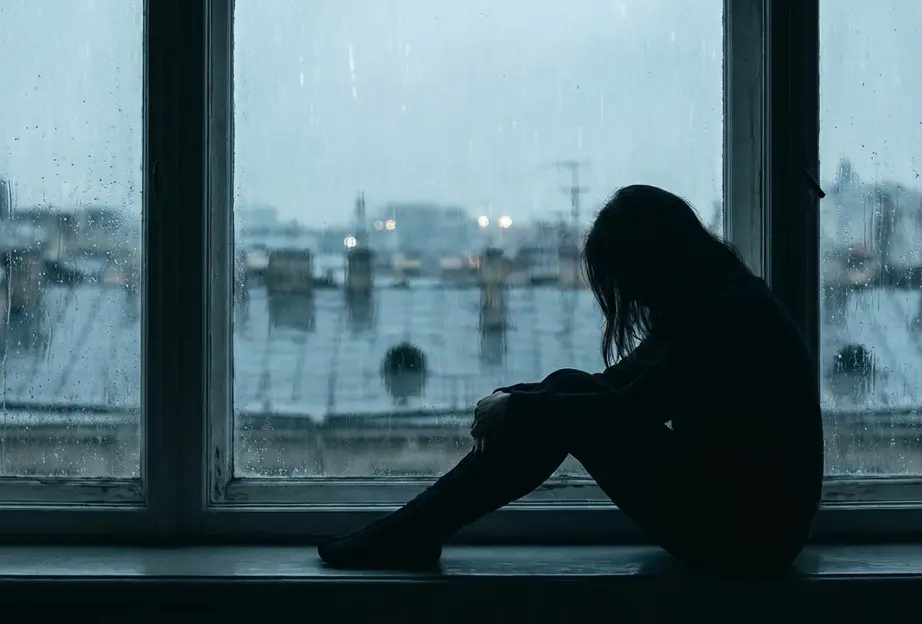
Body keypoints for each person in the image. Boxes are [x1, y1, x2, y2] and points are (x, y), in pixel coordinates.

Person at [317, 184, 824, 572]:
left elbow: (627, 409)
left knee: (570, 405)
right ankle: (412, 531)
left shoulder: (725, 318)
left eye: (626, 278)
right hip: (747, 525)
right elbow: (617, 386)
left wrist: (520, 409)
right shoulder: (717, 302)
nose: (629, 295)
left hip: (748, 539)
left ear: (655, 261)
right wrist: (521, 397)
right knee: (568, 387)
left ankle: (411, 532)